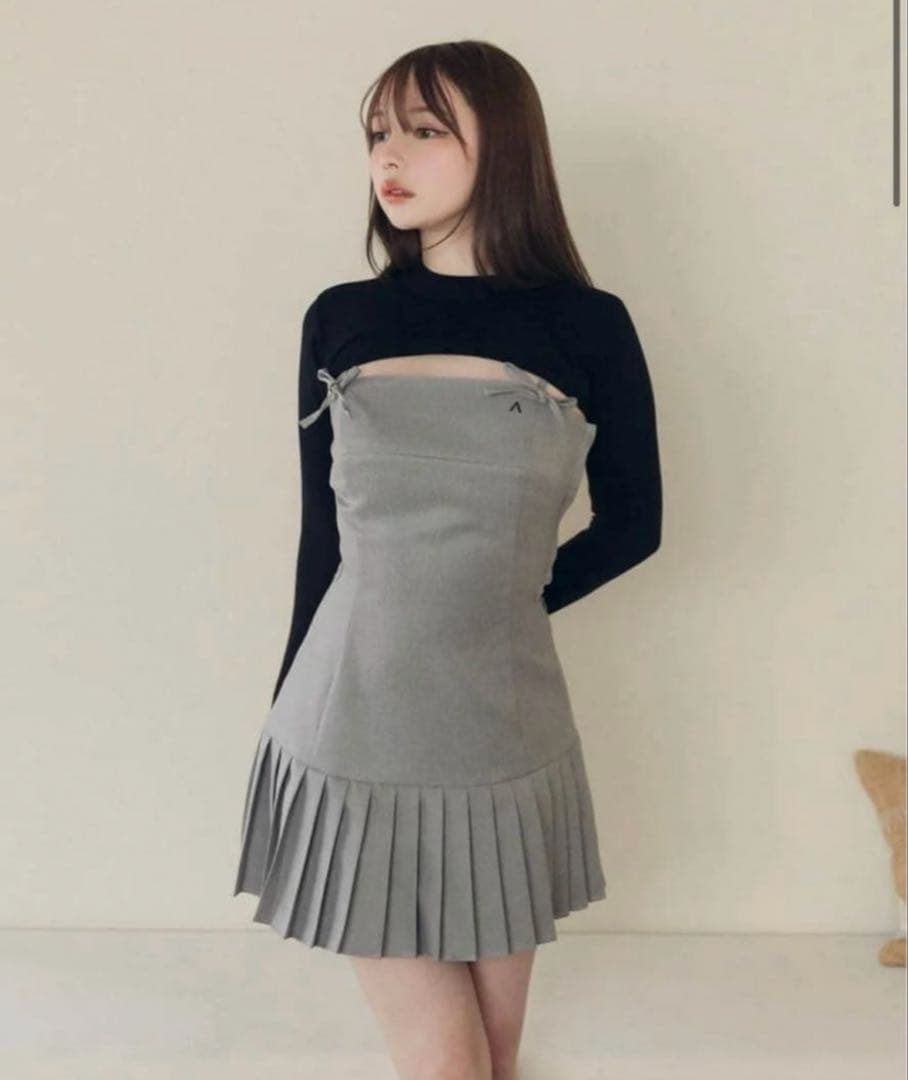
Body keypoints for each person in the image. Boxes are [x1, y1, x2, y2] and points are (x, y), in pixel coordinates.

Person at [233, 40, 662, 1080]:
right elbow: (324, 537)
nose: (390, 156)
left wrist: (501, 602)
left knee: (494, 1058)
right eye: (378, 132)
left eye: (425, 130)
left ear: (502, 144)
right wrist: (289, 695)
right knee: (446, 1063)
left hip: (502, 730)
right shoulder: (342, 317)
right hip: (352, 718)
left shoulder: (587, 326)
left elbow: (633, 524)